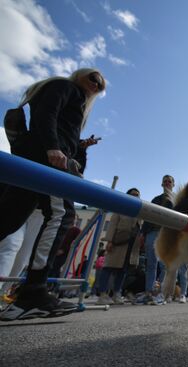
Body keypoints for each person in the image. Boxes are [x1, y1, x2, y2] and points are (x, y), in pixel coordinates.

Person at [0, 68, 105, 321]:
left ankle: (28, 296)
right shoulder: (64, 87)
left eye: (100, 85)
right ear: (79, 75)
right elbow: (46, 115)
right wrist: (52, 148)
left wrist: (79, 149)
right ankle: (32, 293)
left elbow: (62, 133)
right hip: (46, 162)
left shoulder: (75, 104)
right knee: (61, 215)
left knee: (7, 221)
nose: (96, 84)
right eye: (93, 77)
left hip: (41, 160)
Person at [96, 188, 142, 305]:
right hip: (118, 242)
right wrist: (109, 241)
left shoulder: (139, 211)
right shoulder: (120, 208)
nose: (135, 196)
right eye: (133, 194)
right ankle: (102, 294)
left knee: (123, 270)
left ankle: (117, 293)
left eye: (137, 195)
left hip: (131, 245)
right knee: (108, 268)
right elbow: (112, 225)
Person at [141, 175, 175, 305]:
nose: (167, 183)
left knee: (165, 265)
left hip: (166, 234)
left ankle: (160, 291)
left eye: (169, 181)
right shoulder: (155, 199)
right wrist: (142, 233)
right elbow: (148, 216)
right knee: (151, 264)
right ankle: (149, 292)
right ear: (162, 184)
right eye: (165, 181)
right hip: (152, 233)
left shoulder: (176, 199)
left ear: (173, 184)